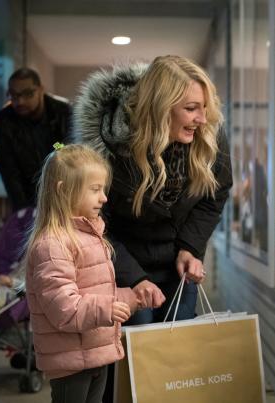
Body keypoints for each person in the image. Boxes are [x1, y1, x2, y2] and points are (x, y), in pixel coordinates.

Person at [75, 55, 232, 324]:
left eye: (204, 107)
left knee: (178, 351)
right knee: (139, 349)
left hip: (177, 265)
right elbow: (94, 223)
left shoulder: (207, 137)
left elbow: (214, 195)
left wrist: (190, 249)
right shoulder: (109, 148)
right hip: (122, 265)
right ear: (161, 107)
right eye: (192, 108)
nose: (203, 119)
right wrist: (133, 277)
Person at [24, 144, 138, 403]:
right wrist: (106, 310)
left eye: (103, 189)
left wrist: (130, 297)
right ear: (64, 190)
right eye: (95, 190)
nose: (104, 198)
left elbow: (95, 291)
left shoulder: (89, 236)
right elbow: (63, 308)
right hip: (70, 360)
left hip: (96, 351)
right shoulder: (52, 245)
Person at [0, 67, 72, 211]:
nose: (20, 101)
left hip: (64, 195)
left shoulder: (64, 113)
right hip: (27, 198)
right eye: (13, 95)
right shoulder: (4, 121)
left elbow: (72, 158)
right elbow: (8, 169)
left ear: (41, 89)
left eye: (28, 94)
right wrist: (22, 208)